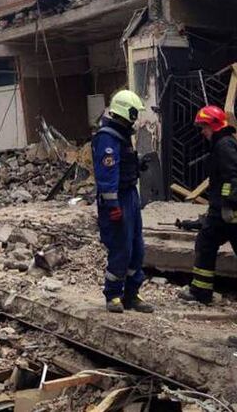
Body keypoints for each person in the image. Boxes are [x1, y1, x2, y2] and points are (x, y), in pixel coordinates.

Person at [180, 105, 237, 304]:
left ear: (213, 126)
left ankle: (200, 291)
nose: (202, 132)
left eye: (204, 127)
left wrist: (226, 203)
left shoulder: (223, 146)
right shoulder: (229, 142)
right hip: (235, 211)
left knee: (205, 244)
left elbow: (233, 179)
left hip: (227, 212)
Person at [93, 89, 154, 314]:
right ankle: (113, 295)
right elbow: (107, 174)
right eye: (134, 113)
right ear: (126, 112)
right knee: (121, 247)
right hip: (117, 198)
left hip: (130, 195)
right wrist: (113, 206)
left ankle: (131, 294)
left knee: (136, 247)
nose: (136, 118)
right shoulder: (107, 137)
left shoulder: (121, 135)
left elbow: (123, 162)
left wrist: (137, 164)